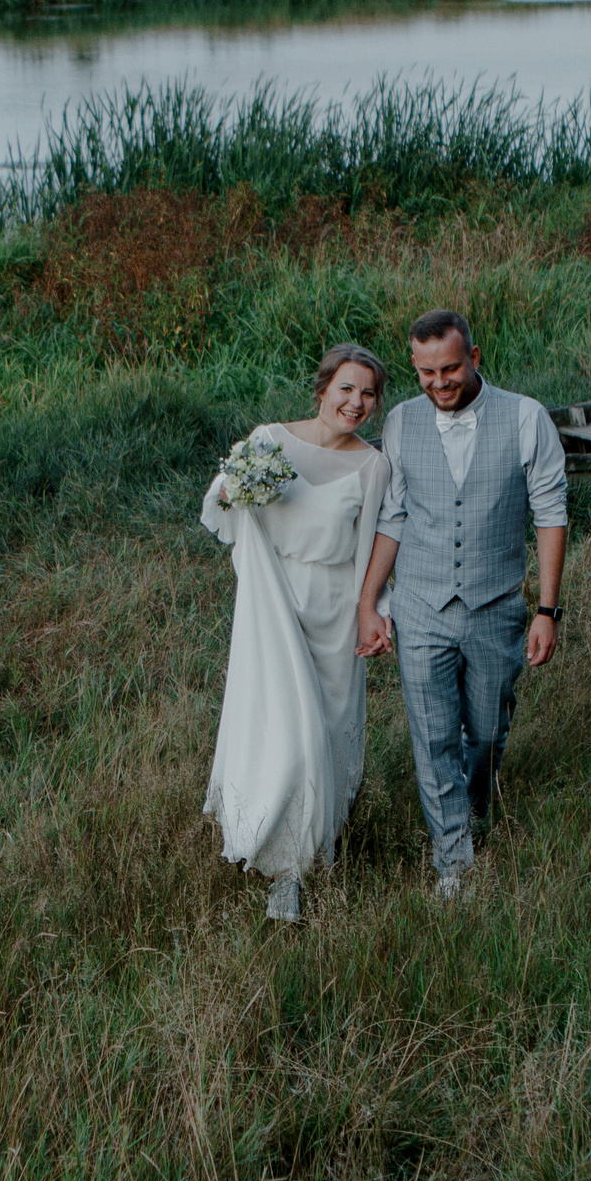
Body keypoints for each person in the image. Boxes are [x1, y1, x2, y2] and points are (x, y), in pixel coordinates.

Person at [356, 309, 568, 900]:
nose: (439, 383)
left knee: (490, 732)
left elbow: (550, 513)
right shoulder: (399, 422)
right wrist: (369, 601)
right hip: (420, 604)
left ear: (474, 357)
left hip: (496, 605)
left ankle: (476, 806)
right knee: (434, 735)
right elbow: (393, 515)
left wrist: (547, 610)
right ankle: (454, 861)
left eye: (449, 368)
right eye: (425, 372)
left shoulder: (526, 417)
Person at [202, 344, 394, 922]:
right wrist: (236, 491)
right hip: (273, 602)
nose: (356, 402)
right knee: (286, 731)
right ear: (322, 389)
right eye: (346, 388)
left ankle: (315, 844)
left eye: (368, 394)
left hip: (334, 608)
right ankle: (286, 871)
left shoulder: (372, 466)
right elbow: (220, 502)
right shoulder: (271, 440)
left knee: (328, 733)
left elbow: (374, 547)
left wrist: (372, 609)